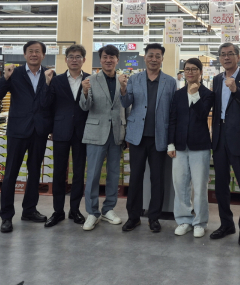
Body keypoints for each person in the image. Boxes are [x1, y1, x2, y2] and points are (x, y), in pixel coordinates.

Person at [0, 41, 53, 233]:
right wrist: (5, 78)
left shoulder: (49, 75)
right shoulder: (14, 73)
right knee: (11, 173)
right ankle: (6, 216)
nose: (34, 54)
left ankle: (29, 210)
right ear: (25, 54)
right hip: (18, 130)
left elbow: (51, 103)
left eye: (38, 51)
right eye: (30, 51)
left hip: (39, 131)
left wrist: (50, 127)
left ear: (43, 55)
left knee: (34, 172)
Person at [120, 43, 177, 233]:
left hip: (160, 137)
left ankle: (154, 217)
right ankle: (133, 217)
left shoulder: (170, 82)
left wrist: (172, 139)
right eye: (150, 55)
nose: (154, 59)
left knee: (157, 179)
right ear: (145, 58)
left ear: (162, 59)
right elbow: (125, 103)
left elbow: (172, 111)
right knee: (135, 177)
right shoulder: (134, 79)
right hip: (137, 136)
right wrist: (122, 89)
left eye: (157, 56)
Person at [210, 43, 240, 247]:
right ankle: (226, 224)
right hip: (220, 138)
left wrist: (236, 91)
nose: (226, 57)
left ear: (238, 57)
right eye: (223, 54)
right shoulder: (216, 79)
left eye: (230, 54)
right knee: (221, 185)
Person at [40, 44, 89, 228]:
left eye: (78, 57)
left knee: (78, 172)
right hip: (60, 130)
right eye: (71, 57)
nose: (74, 60)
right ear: (66, 60)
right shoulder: (56, 80)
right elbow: (47, 105)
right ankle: (58, 211)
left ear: (84, 60)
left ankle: (75, 210)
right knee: (59, 172)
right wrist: (46, 83)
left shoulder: (91, 80)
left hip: (82, 131)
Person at [79, 45, 127, 231]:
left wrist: (127, 132)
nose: (108, 60)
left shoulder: (123, 80)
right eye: (105, 57)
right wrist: (84, 92)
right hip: (96, 133)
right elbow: (85, 107)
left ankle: (108, 209)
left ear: (117, 60)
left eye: (112, 57)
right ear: (100, 60)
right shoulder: (90, 80)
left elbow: (127, 106)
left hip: (117, 133)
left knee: (114, 174)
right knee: (93, 174)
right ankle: (92, 212)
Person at [167, 58, 215, 238]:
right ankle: (183, 220)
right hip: (179, 146)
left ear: (200, 72)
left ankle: (200, 222)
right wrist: (170, 143)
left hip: (200, 146)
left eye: (194, 69)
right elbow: (173, 119)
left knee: (200, 186)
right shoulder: (178, 94)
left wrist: (195, 96)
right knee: (180, 184)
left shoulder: (207, 94)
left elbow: (203, 115)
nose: (190, 72)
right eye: (187, 69)